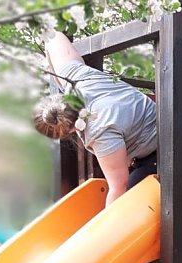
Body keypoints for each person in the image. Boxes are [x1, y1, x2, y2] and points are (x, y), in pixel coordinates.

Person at [33, 31, 157, 205]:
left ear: (70, 130)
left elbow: (118, 186)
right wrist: (58, 78)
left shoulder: (99, 131)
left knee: (132, 202)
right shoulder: (77, 78)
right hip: (166, 122)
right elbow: (51, 36)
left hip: (162, 148)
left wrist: (108, 220)